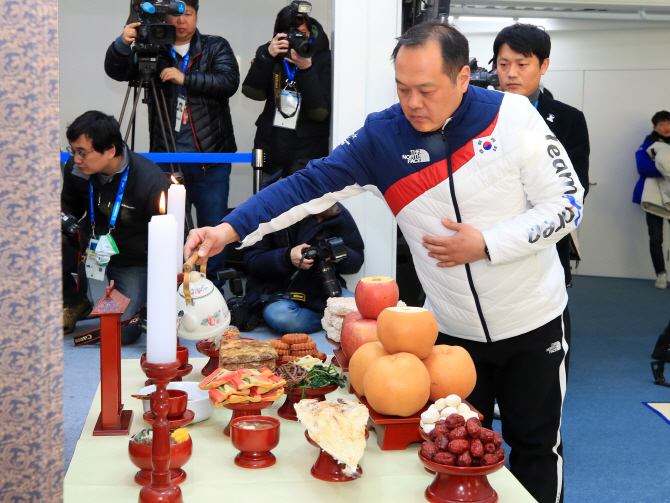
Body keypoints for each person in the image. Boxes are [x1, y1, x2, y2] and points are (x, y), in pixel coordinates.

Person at [184, 21, 584, 503]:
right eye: (402, 88)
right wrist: (228, 228)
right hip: (451, 333)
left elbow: (567, 203)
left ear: (462, 78)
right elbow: (304, 187)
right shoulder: (383, 137)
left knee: (535, 449)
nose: (412, 102)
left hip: (532, 320)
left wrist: (488, 243)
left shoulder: (514, 116)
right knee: (453, 456)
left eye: (426, 89)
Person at [104, 0, 239, 290]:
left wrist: (185, 78)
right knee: (168, 227)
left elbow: (228, 82)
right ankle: (171, 287)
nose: (181, 22)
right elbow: (117, 72)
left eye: (187, 15)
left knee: (214, 226)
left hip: (210, 158)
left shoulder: (215, 46)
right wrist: (122, 44)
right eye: (174, 16)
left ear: (196, 15)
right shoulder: (153, 47)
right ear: (163, 18)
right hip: (164, 157)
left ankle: (210, 289)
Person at [494, 23, 590, 288]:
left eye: (522, 64)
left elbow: (576, 189)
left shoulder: (569, 119)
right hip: (487, 243)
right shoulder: (477, 115)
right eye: (503, 65)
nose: (511, 73)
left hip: (544, 243)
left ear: (543, 65)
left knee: (551, 323)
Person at [61, 111, 169, 344]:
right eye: (73, 151)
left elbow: (165, 238)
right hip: (89, 247)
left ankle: (128, 299)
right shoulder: (76, 168)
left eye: (82, 152)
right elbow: (67, 205)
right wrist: (65, 221)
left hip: (130, 259)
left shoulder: (149, 179)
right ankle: (73, 299)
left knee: (123, 332)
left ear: (110, 151)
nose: (76, 159)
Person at [243, 159, 364, 334]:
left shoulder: (333, 211)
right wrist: (286, 257)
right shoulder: (263, 208)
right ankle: (331, 321)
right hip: (276, 292)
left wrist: (340, 255)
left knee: (361, 309)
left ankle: (330, 319)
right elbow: (251, 261)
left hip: (322, 289)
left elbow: (357, 259)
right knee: (282, 317)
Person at [241, 1, 331, 177]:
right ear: (278, 34)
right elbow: (252, 92)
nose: (298, 39)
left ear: (311, 33)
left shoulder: (324, 58)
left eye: (303, 34)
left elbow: (319, 112)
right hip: (270, 150)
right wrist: (266, 57)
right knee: (267, 203)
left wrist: (306, 69)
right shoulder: (269, 53)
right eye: (292, 34)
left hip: (307, 156)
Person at [633, 110, 670, 289]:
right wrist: (666, 166)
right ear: (655, 127)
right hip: (653, 198)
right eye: (662, 124)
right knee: (655, 238)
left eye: (668, 123)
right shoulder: (647, 145)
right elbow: (643, 168)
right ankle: (660, 274)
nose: (666, 127)